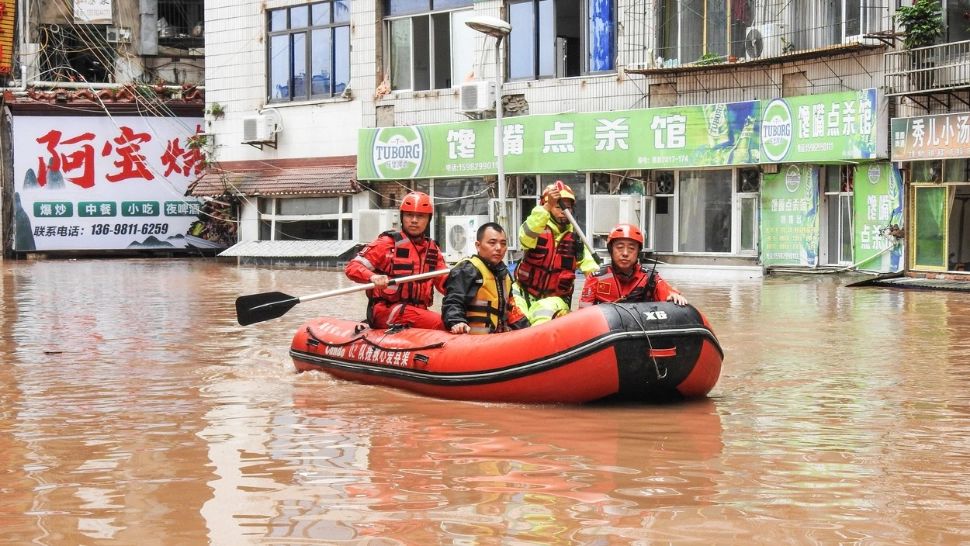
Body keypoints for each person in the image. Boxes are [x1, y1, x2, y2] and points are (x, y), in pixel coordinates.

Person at [344, 191, 448, 329]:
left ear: (428, 219)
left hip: (418, 312)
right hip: (388, 311)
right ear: (402, 217)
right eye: (409, 215)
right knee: (442, 323)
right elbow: (352, 267)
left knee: (453, 318)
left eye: (420, 216)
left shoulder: (433, 250)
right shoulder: (386, 243)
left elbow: (446, 284)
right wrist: (373, 277)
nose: (414, 220)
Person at [514, 181, 599, 325]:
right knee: (515, 318)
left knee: (544, 314)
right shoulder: (535, 227)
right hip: (523, 292)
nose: (563, 211)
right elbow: (525, 237)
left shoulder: (576, 238)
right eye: (558, 206)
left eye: (568, 207)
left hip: (555, 300)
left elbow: (592, 270)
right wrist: (546, 207)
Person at [442, 222, 530, 334]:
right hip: (473, 341)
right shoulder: (467, 270)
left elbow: (512, 310)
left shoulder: (505, 274)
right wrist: (456, 321)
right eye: (492, 243)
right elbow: (453, 301)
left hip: (499, 340)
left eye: (503, 244)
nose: (499, 248)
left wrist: (529, 330)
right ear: (478, 245)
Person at [579, 223, 688, 308]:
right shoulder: (596, 278)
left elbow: (666, 291)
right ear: (611, 250)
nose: (625, 253)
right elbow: (583, 315)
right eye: (620, 247)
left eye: (631, 248)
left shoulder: (650, 278)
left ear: (638, 253)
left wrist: (674, 295)